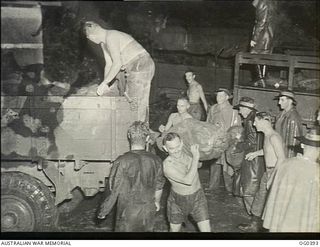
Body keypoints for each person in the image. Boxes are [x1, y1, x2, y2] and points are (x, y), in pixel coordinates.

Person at [97, 121, 165, 232]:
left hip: (127, 212)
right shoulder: (156, 160)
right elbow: (159, 185)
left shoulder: (122, 161)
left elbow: (113, 189)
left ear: (129, 136)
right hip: (148, 210)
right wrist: (157, 201)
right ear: (147, 138)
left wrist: (104, 211)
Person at [83, 21, 155, 122]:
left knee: (134, 102)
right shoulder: (104, 43)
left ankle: (137, 132)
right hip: (134, 66)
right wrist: (106, 85)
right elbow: (109, 65)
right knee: (137, 102)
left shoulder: (111, 36)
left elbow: (117, 63)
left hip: (140, 64)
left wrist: (105, 82)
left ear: (91, 36)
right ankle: (140, 130)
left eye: (88, 38)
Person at [262, 127, 320, 232]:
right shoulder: (316, 172)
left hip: (280, 224)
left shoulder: (285, 165)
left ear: (302, 145)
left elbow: (273, 199)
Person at [238, 111, 285, 232]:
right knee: (260, 198)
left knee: (269, 201)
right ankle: (255, 225)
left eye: (256, 121)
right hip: (268, 172)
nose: (254, 124)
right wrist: (255, 153)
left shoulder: (274, 137)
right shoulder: (267, 135)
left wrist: (272, 177)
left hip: (274, 172)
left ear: (264, 121)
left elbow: (281, 158)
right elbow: (268, 151)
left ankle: (270, 228)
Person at [162, 132, 211, 232]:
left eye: (178, 146)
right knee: (174, 231)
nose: (176, 151)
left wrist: (205, 148)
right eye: (171, 149)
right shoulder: (167, 165)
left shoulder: (187, 153)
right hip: (177, 201)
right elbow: (188, 180)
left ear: (182, 143)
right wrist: (195, 158)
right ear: (165, 148)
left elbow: (199, 165)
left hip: (198, 197)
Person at [233, 97, 266, 230]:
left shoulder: (249, 121)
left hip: (253, 161)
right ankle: (257, 222)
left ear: (247, 109)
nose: (240, 111)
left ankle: (255, 224)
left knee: (249, 192)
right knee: (251, 191)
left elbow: (251, 142)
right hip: (255, 160)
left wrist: (237, 145)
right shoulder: (253, 118)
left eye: (241, 108)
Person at [206, 88, 241, 191]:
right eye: (217, 95)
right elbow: (208, 123)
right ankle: (212, 186)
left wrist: (232, 140)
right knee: (214, 163)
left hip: (227, 140)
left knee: (227, 164)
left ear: (227, 97)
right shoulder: (213, 109)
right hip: (215, 140)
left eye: (221, 96)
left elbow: (236, 127)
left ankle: (230, 188)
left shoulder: (233, 110)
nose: (218, 98)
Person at [250, 0, 276, 87]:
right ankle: (262, 79)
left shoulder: (263, 2)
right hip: (268, 35)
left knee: (254, 54)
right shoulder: (270, 2)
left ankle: (260, 79)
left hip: (262, 36)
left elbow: (262, 21)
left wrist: (254, 38)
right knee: (264, 57)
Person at [274, 90, 303, 158]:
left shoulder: (293, 117)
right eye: (279, 100)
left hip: (285, 155)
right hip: (279, 152)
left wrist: (288, 161)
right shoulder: (281, 114)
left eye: (282, 100)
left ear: (290, 101)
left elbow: (293, 143)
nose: (279, 102)